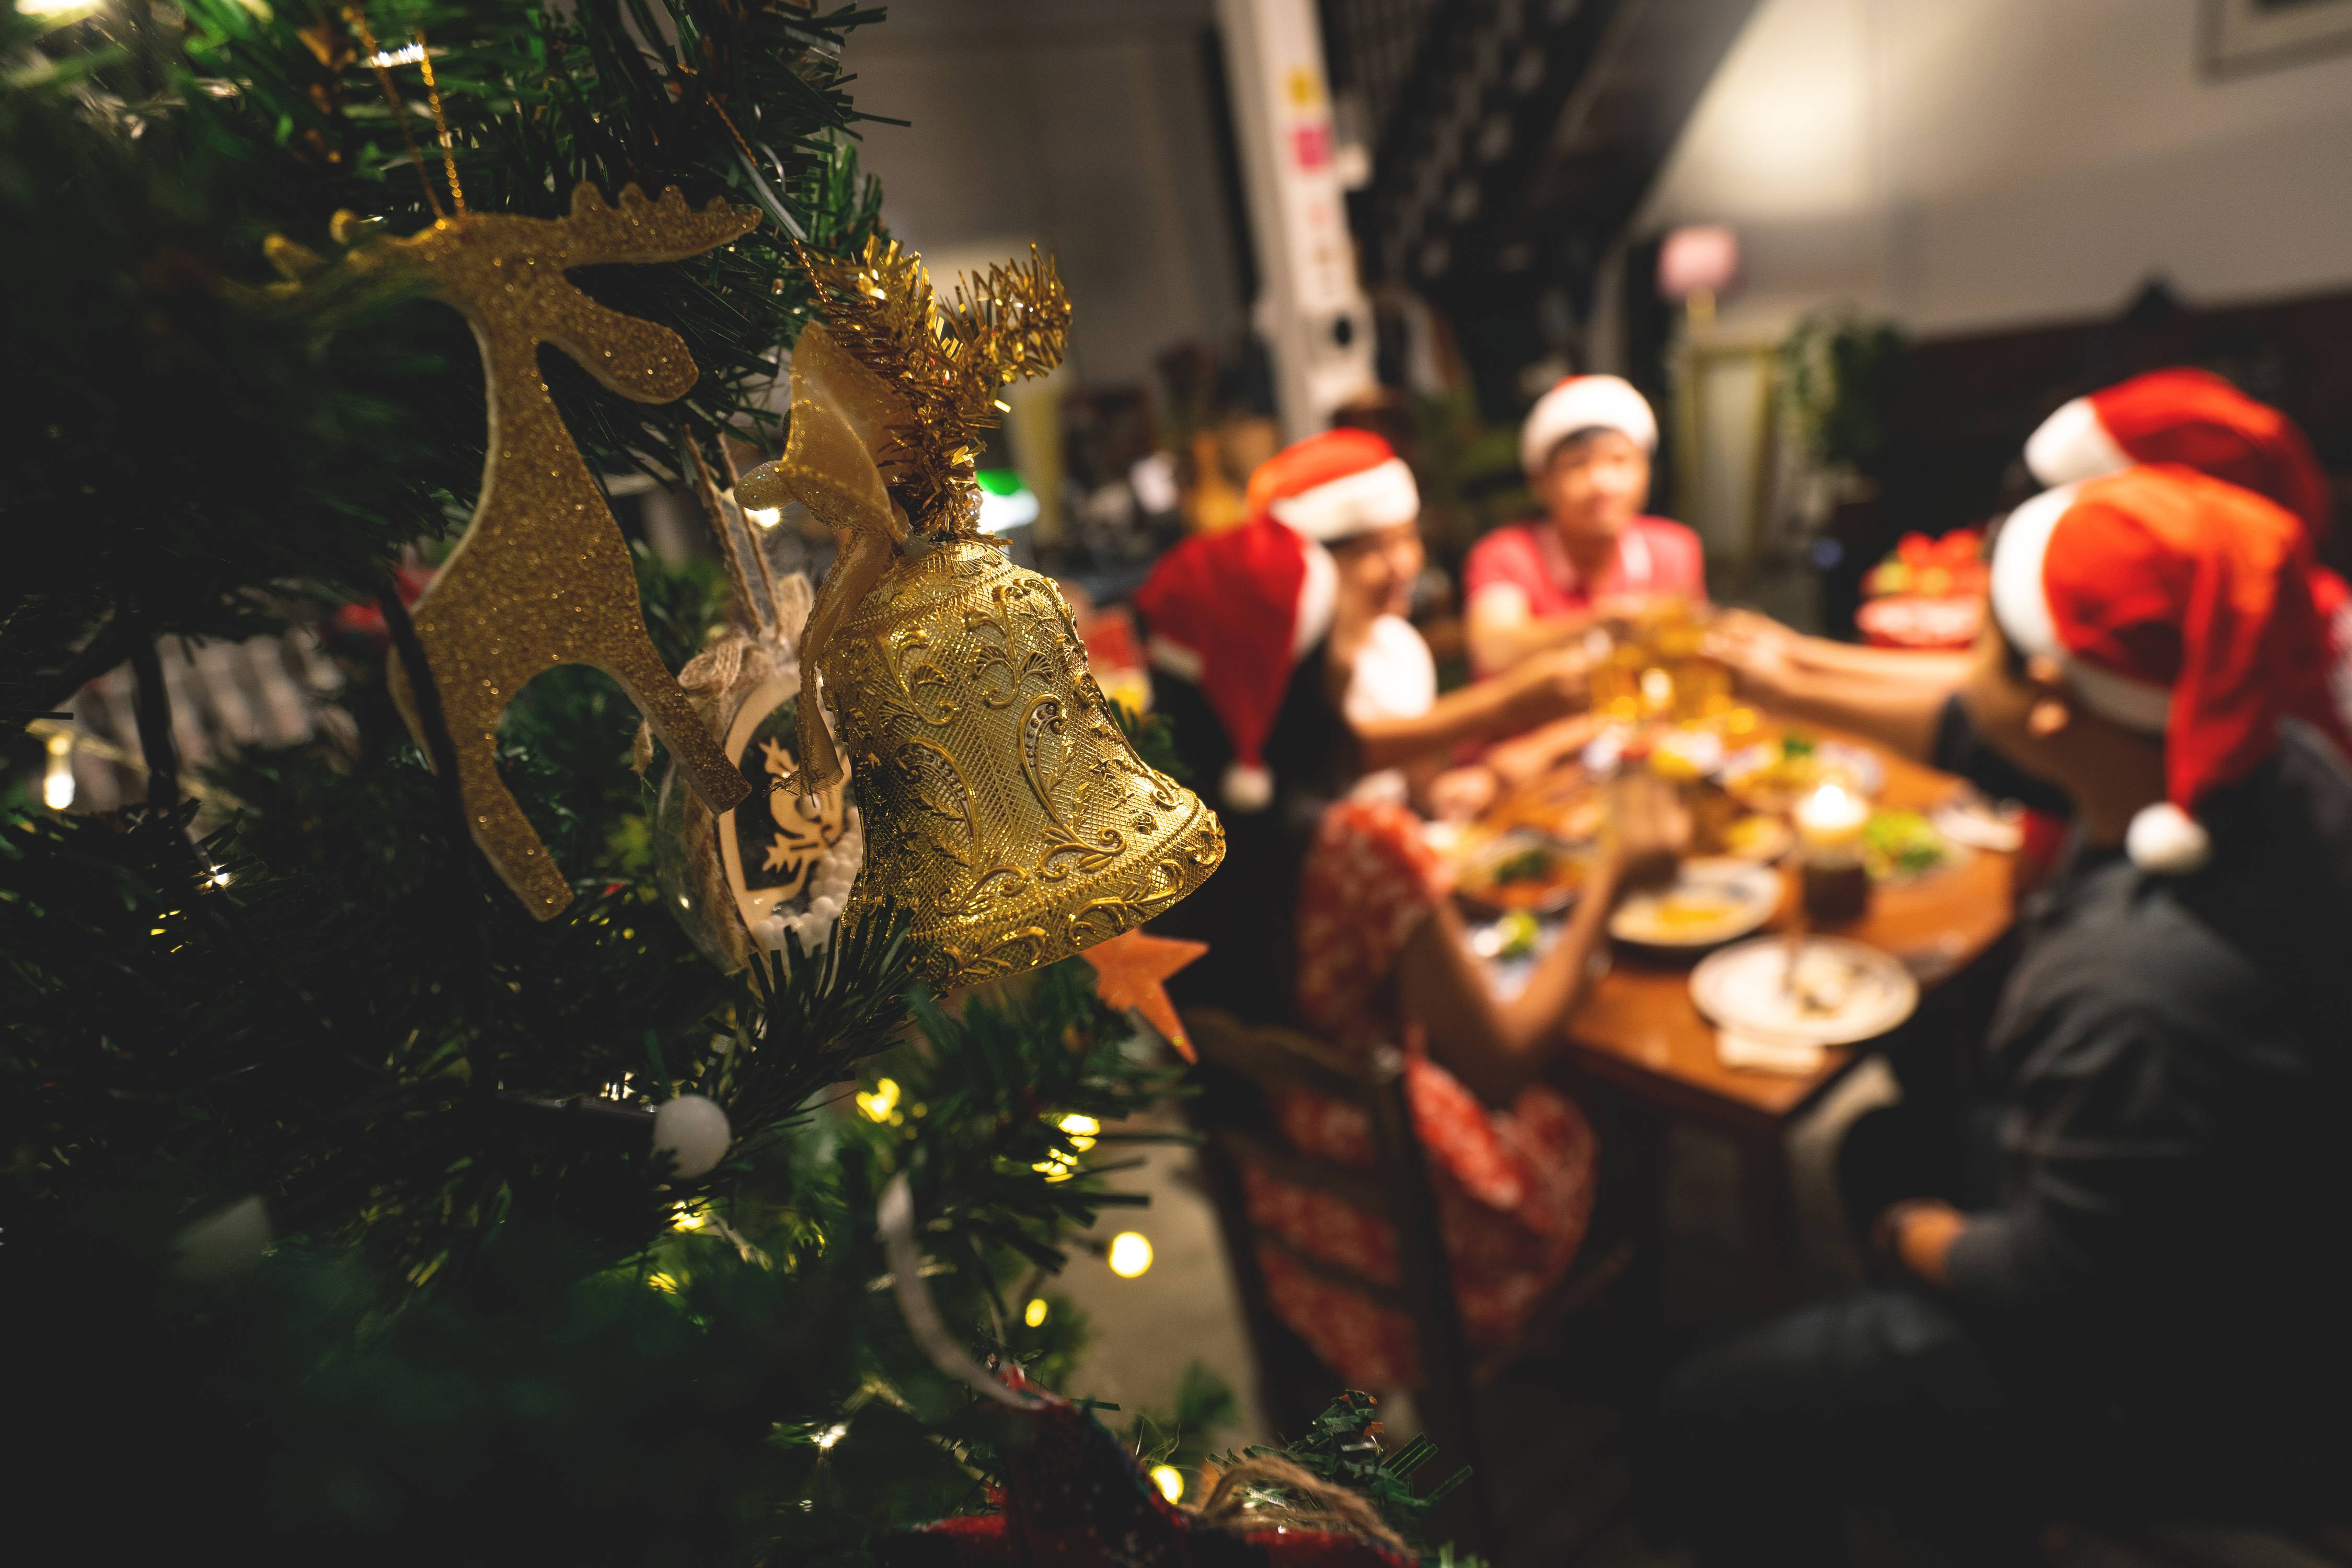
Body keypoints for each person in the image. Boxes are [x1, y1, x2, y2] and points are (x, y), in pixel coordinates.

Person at [1649, 464, 2352, 1563]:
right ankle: (1958, 1513)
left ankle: (2013, 1487)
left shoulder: (2137, 985)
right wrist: (1781, 675)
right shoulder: (2262, 765)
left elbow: (2053, 1285)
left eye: (1975, 638)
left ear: (2052, 697)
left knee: (1702, 1416)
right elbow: (1975, 727)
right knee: (1884, 1139)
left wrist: (1909, 1240)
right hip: (2267, 1234)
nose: (1952, 664)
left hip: (2179, 1393)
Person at [1138, 428, 1688, 1388]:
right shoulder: (1356, 849)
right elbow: (1505, 1067)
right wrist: (1613, 880)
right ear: (1299, 676)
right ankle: (1636, 1394)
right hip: (1424, 1247)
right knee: (1624, 1106)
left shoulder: (1157, 836)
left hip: (1291, 1232)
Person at [1138, 429, 1593, 1022]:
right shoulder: (1339, 828)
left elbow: (1410, 787)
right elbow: (1333, 756)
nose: (1404, 564)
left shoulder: (1396, 652)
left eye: (1409, 539)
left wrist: (1464, 790)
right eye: (1371, 548)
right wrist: (1510, 705)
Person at [1715, 368, 2352, 759]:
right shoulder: (2281, 605)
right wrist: (1797, 657)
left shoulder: (2266, 652)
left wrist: (1791, 681)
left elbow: (2006, 706)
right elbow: (2001, 684)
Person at [1464, 374, 1706, 676]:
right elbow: (1495, 650)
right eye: (1578, 464)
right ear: (1541, 482)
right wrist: (1603, 624)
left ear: (1646, 471)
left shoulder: (1675, 548)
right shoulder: (1505, 554)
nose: (1601, 484)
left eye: (1619, 460)